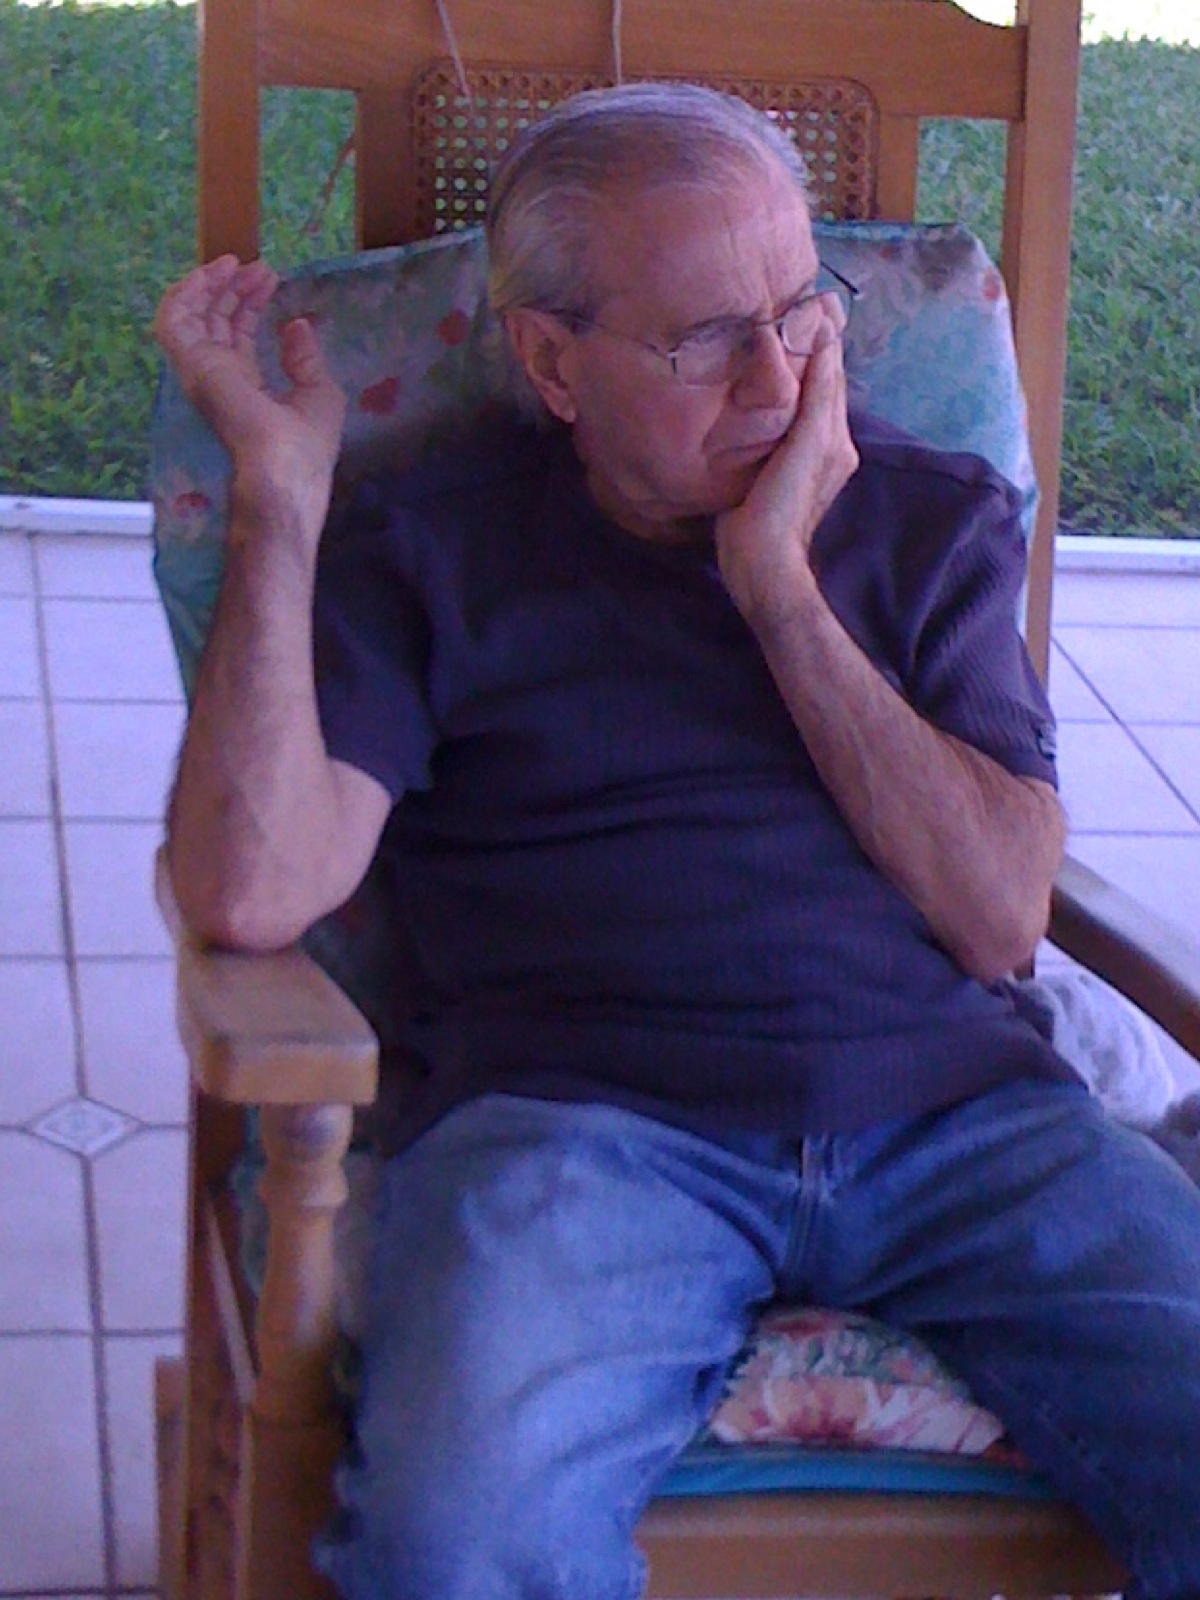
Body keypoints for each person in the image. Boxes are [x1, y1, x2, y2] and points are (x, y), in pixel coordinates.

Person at [154, 82, 1200, 1600]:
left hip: (967, 1126)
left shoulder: (925, 520)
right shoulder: (437, 548)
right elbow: (250, 888)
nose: (777, 375)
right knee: (458, 1545)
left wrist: (777, 588)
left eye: (798, 310)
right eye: (705, 339)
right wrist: (281, 501)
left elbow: (999, 920)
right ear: (551, 363)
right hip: (581, 1138)